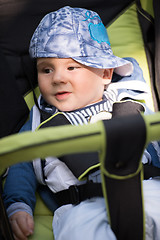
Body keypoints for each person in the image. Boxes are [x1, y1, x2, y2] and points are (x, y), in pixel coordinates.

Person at [3, 6, 160, 240]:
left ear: (106, 73)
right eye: (46, 69)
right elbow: (20, 163)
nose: (57, 78)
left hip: (144, 187)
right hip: (80, 207)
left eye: (72, 67)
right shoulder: (38, 120)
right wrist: (18, 205)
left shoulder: (128, 99)